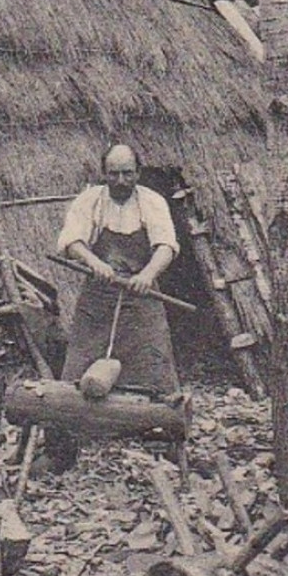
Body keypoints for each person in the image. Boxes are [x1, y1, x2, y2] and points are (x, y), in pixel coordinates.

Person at [55, 143, 181, 398]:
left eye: (127, 173)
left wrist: (147, 275)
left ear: (138, 172)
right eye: (113, 174)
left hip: (141, 295)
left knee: (152, 364)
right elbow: (71, 241)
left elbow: (166, 245)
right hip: (97, 297)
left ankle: (155, 424)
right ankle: (78, 425)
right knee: (80, 366)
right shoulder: (90, 200)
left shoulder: (152, 202)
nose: (121, 181)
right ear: (104, 173)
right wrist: (95, 263)